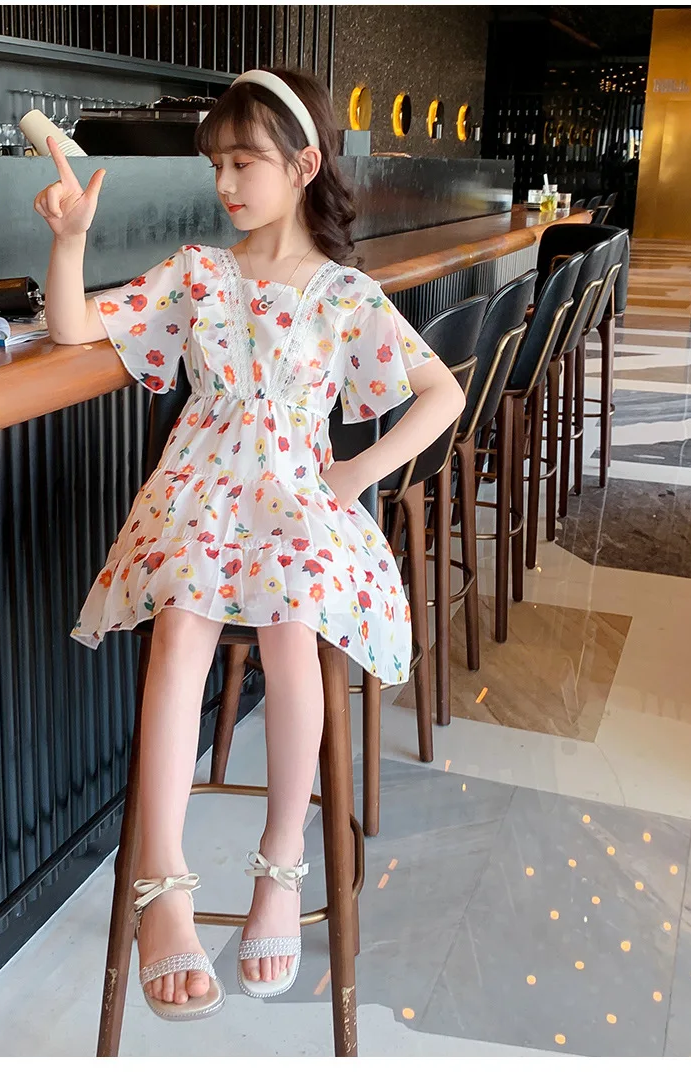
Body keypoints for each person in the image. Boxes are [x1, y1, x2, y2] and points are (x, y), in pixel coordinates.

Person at [34, 66, 465, 1022]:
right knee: (183, 619)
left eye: (244, 162)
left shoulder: (345, 293)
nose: (225, 182)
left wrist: (358, 473)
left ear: (303, 166)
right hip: (198, 497)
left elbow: (445, 393)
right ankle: (163, 884)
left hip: (298, 501)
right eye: (216, 164)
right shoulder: (198, 271)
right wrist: (69, 242)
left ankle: (281, 866)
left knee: (292, 625)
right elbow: (72, 328)